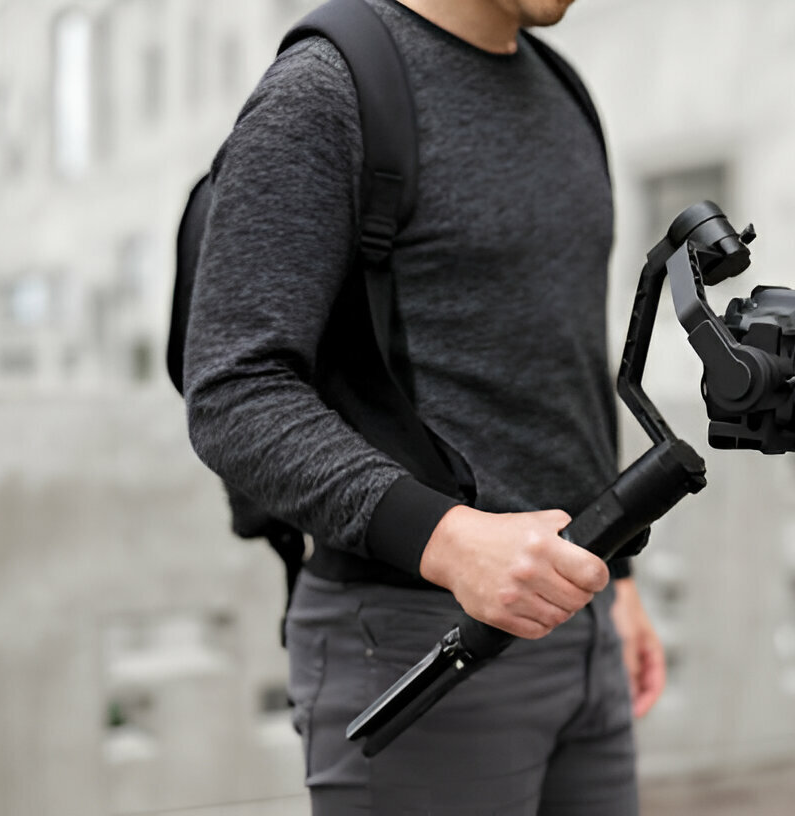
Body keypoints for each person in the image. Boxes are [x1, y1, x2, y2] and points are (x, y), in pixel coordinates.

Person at [182, 0, 665, 812]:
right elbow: (233, 390)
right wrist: (450, 541)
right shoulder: (324, 91)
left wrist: (615, 579)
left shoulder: (563, 91)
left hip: (579, 633)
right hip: (415, 640)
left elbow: (560, 367)